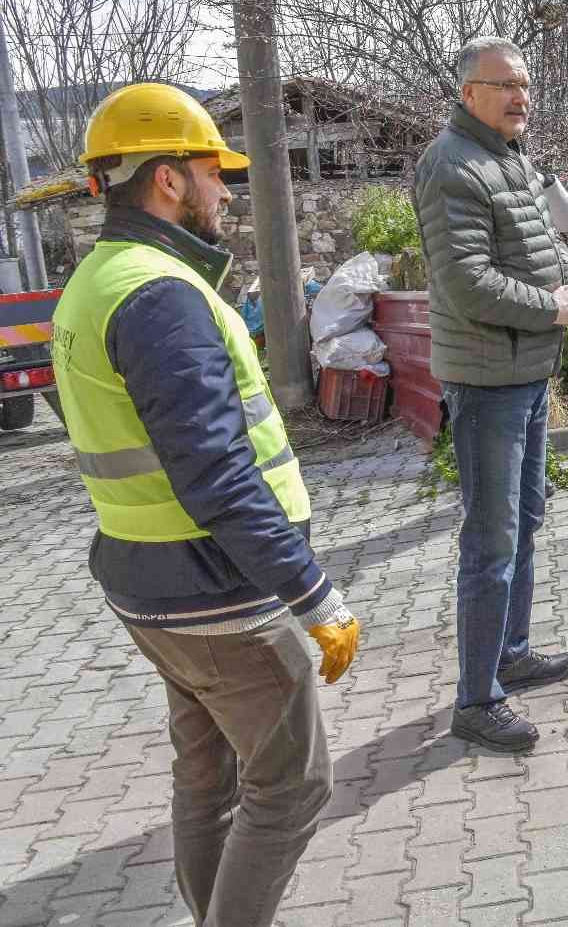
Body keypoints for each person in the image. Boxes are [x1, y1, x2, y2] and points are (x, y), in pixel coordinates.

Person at [51, 83, 360, 927]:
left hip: (154, 590)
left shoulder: (93, 284)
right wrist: (315, 595)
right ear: (167, 181)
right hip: (218, 599)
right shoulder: (162, 298)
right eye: (212, 171)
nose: (226, 188)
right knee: (294, 786)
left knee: (208, 779)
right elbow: (219, 474)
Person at [416, 37, 568, 753]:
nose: (521, 97)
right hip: (487, 380)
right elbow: (468, 282)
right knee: (491, 540)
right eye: (505, 85)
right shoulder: (452, 167)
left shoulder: (510, 160)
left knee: (526, 518)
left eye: (525, 84)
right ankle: (477, 699)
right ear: (469, 94)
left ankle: (511, 654)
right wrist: (553, 307)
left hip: (525, 372)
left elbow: (552, 244)